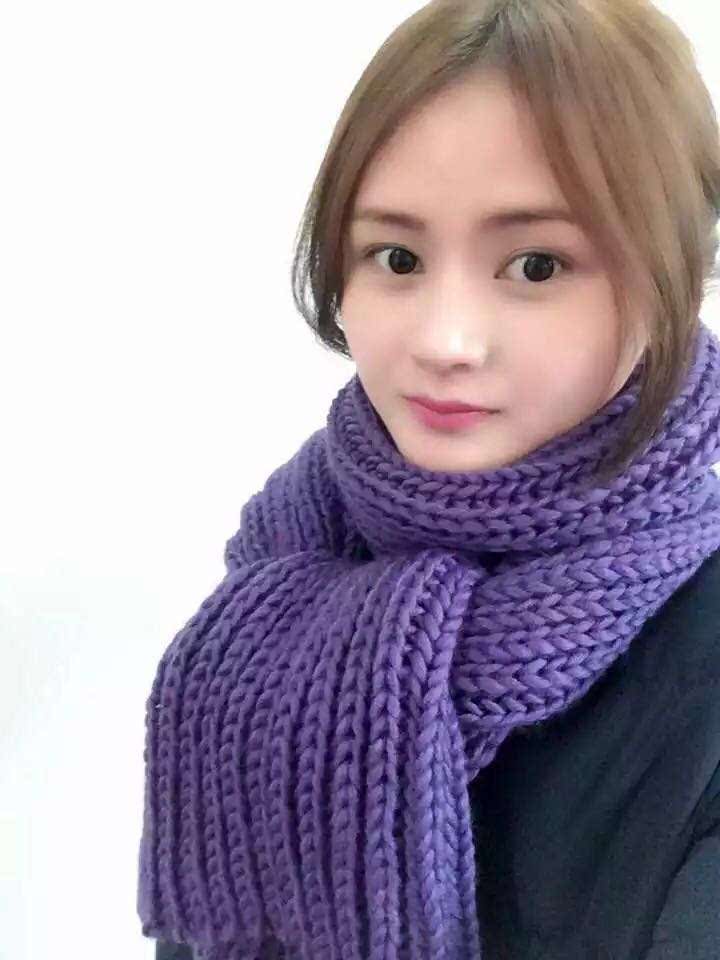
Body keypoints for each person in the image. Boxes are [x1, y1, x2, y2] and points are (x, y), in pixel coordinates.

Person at [139, 1, 720, 958]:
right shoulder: (273, 599)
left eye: (537, 265)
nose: (445, 341)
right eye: (397, 257)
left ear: (674, 280)